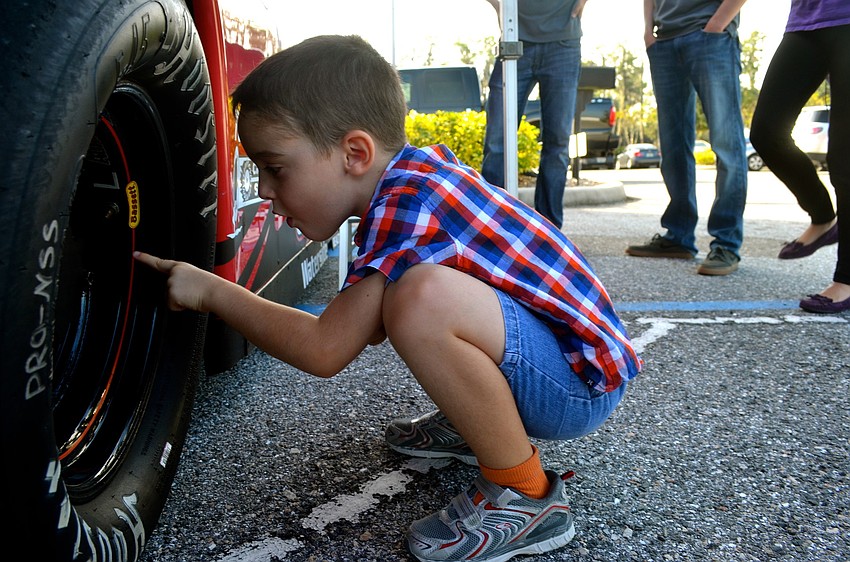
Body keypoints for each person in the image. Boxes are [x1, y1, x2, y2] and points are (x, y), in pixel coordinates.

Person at [136, 35, 641, 562]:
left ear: (355, 153)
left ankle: (526, 496)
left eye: (276, 168)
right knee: (414, 299)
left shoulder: (409, 205)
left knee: (422, 301)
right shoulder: (409, 182)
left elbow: (324, 348)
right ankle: (482, 424)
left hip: (574, 387)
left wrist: (212, 290)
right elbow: (366, 324)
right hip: (562, 366)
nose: (264, 190)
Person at [626, 0, 749, 276]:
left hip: (710, 35)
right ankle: (678, 236)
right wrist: (649, 30)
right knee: (672, 147)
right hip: (664, 39)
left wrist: (717, 24)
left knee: (726, 144)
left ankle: (726, 243)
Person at [749, 1, 850, 313]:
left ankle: (846, 280)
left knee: (845, 158)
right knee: (766, 133)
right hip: (806, 19)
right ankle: (822, 216)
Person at [481, 0, 587, 229]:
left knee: (557, 142)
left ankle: (548, 231)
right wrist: (500, 7)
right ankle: (490, 228)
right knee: (497, 140)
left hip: (563, 43)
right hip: (514, 38)